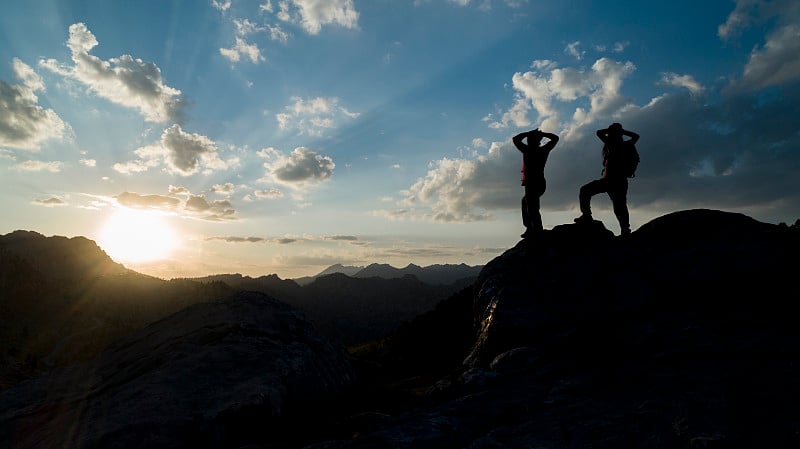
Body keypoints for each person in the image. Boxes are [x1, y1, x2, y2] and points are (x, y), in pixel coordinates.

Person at [574, 122, 640, 235]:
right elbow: (636, 136)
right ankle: (625, 229)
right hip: (620, 181)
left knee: (585, 191)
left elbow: (599, 132)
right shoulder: (626, 144)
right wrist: (621, 131)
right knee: (620, 206)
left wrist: (614, 130)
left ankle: (587, 216)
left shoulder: (612, 144)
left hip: (611, 180)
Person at [513, 128, 559, 238]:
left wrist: (529, 133)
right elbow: (555, 138)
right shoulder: (543, 150)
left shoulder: (527, 150)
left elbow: (516, 139)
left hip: (532, 182)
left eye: (529, 139)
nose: (528, 141)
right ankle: (532, 228)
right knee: (527, 203)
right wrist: (541, 134)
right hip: (540, 182)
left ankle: (536, 230)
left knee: (532, 206)